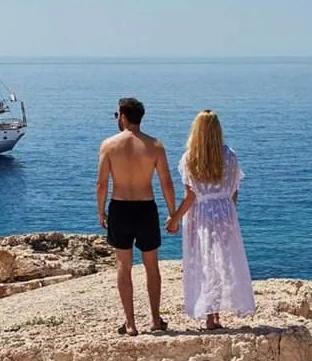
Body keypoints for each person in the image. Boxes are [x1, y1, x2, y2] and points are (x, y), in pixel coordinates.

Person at [166, 109, 256, 329]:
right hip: (225, 211)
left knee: (205, 261)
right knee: (224, 261)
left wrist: (174, 219)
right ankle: (220, 313)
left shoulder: (190, 158)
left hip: (201, 213)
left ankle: (210, 315)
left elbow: (190, 196)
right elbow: (234, 189)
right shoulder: (229, 156)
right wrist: (229, 212)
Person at [97, 97, 178, 336]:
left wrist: (100, 210)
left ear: (123, 115)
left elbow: (102, 184)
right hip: (146, 208)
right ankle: (155, 319)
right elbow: (166, 182)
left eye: (117, 115)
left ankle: (130, 323)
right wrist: (173, 213)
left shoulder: (109, 145)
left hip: (120, 207)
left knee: (124, 265)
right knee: (151, 265)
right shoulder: (155, 146)